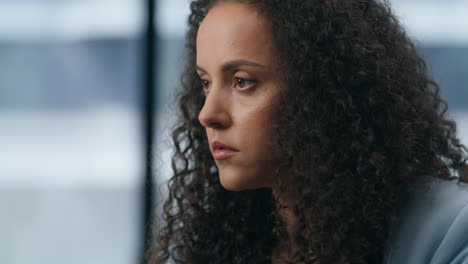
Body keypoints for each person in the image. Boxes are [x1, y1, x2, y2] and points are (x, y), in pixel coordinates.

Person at [149, 0, 468, 263]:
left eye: (242, 81)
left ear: (322, 89)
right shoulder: (207, 245)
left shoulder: (450, 233)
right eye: (206, 83)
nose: (208, 115)